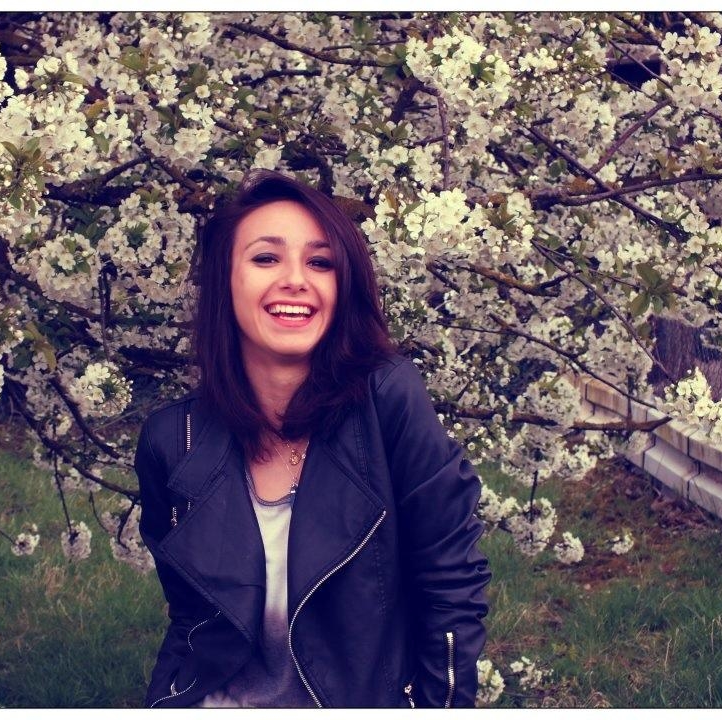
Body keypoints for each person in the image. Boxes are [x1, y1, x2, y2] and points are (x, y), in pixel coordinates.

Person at [135, 170, 490, 708]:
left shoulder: (389, 400)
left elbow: (451, 587)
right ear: (225, 281)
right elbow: (191, 618)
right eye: (266, 258)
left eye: (320, 263)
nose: (296, 280)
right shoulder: (172, 440)